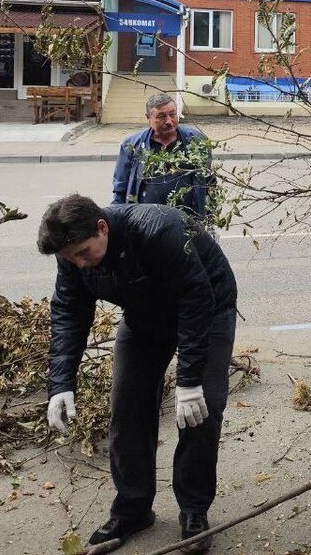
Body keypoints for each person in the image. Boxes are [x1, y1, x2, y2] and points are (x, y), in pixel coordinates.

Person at [40, 195, 237, 553]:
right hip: (144, 318)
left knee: (200, 412)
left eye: (84, 253)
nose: (80, 265)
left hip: (206, 310)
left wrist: (189, 381)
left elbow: (197, 298)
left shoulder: (158, 230)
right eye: (71, 259)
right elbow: (69, 311)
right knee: (127, 410)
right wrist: (60, 383)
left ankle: (193, 509)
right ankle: (133, 508)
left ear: (103, 228)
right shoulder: (72, 257)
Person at [112, 94, 214, 219]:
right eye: (161, 116)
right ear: (148, 118)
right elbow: (120, 188)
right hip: (145, 221)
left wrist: (209, 219)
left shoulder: (197, 141)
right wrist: (116, 220)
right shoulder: (132, 145)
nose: (169, 121)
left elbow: (209, 183)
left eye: (173, 114)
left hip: (187, 222)